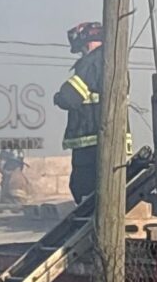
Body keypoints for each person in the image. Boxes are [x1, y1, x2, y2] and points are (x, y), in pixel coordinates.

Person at [54, 21, 132, 204]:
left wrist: (58, 97)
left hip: (92, 141)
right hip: (110, 139)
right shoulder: (113, 60)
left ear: (87, 43)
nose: (82, 53)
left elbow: (69, 97)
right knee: (108, 187)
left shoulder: (93, 62)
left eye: (81, 49)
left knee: (83, 188)